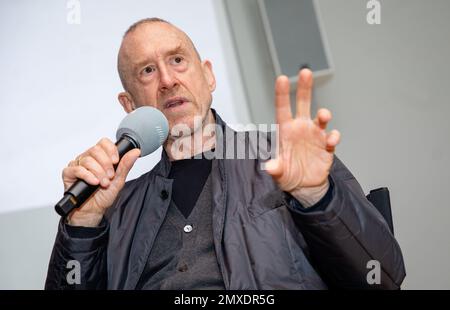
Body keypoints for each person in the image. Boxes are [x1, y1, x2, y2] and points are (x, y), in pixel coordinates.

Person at [45, 18, 405, 290]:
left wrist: (317, 197)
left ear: (209, 77)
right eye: (148, 71)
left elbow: (382, 277)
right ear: (129, 105)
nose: (168, 80)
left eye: (178, 60)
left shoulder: (286, 157)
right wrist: (82, 226)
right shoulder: (115, 205)